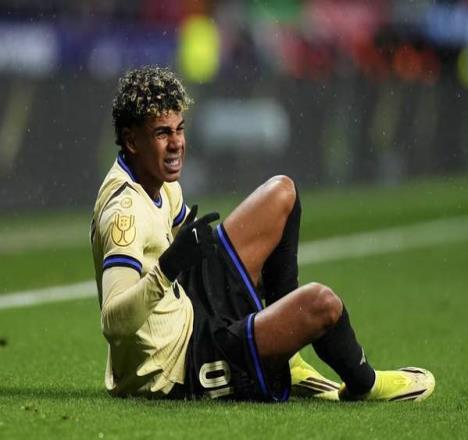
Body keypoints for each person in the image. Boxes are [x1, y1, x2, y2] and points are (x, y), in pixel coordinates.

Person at [90, 66, 435, 402]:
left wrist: (199, 259)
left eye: (179, 129)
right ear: (132, 141)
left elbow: (184, 249)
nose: (177, 143)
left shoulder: (158, 182)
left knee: (282, 192)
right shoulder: (125, 213)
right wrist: (168, 268)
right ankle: (365, 384)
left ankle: (286, 356)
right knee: (321, 304)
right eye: (162, 133)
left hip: (187, 310)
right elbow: (113, 324)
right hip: (175, 365)